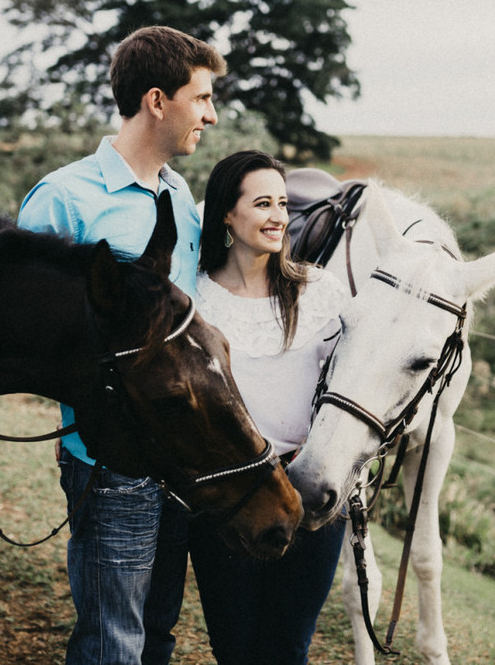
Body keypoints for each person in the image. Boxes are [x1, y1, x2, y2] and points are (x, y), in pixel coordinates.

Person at [16, 25, 226, 665]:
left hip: (183, 455)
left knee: (154, 629)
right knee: (113, 638)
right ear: (157, 101)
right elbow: (25, 335)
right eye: (202, 99)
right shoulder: (62, 201)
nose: (211, 116)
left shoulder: (179, 197)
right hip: (111, 459)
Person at [188, 150, 349, 664]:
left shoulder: (318, 291)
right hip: (230, 498)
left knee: (288, 646)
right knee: (235, 648)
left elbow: (345, 387)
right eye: (262, 203)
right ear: (226, 216)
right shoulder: (194, 298)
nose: (279, 215)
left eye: (282, 202)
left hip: (307, 494)